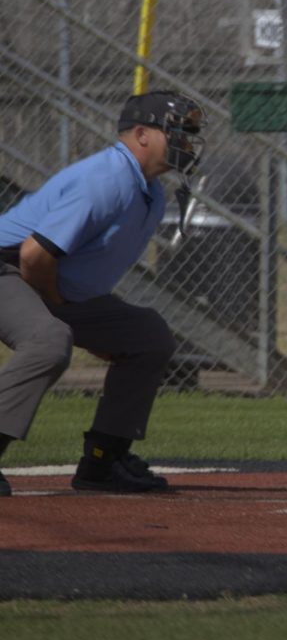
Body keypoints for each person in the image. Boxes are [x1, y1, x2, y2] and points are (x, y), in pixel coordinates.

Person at [0, 90, 206, 496]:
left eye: (188, 134)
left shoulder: (152, 193)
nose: (186, 143)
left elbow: (80, 273)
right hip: (10, 268)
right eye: (177, 132)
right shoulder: (108, 179)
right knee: (48, 339)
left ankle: (103, 461)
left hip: (46, 281)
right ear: (142, 135)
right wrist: (62, 310)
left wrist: (94, 325)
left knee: (147, 337)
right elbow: (33, 255)